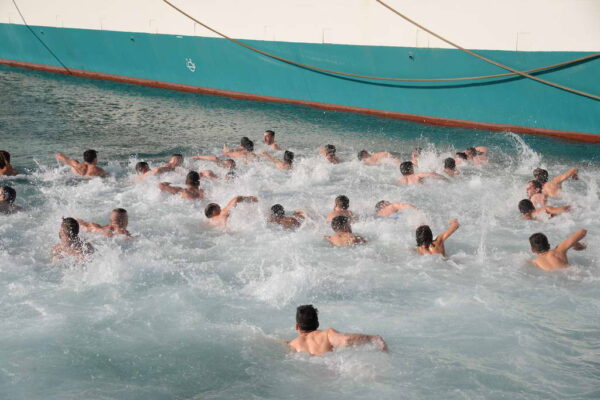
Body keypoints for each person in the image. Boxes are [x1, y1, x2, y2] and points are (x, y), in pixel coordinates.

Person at [287, 305, 387, 355]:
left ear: (297, 327)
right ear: (317, 324)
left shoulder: (292, 344)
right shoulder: (327, 334)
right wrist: (373, 338)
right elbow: (347, 340)